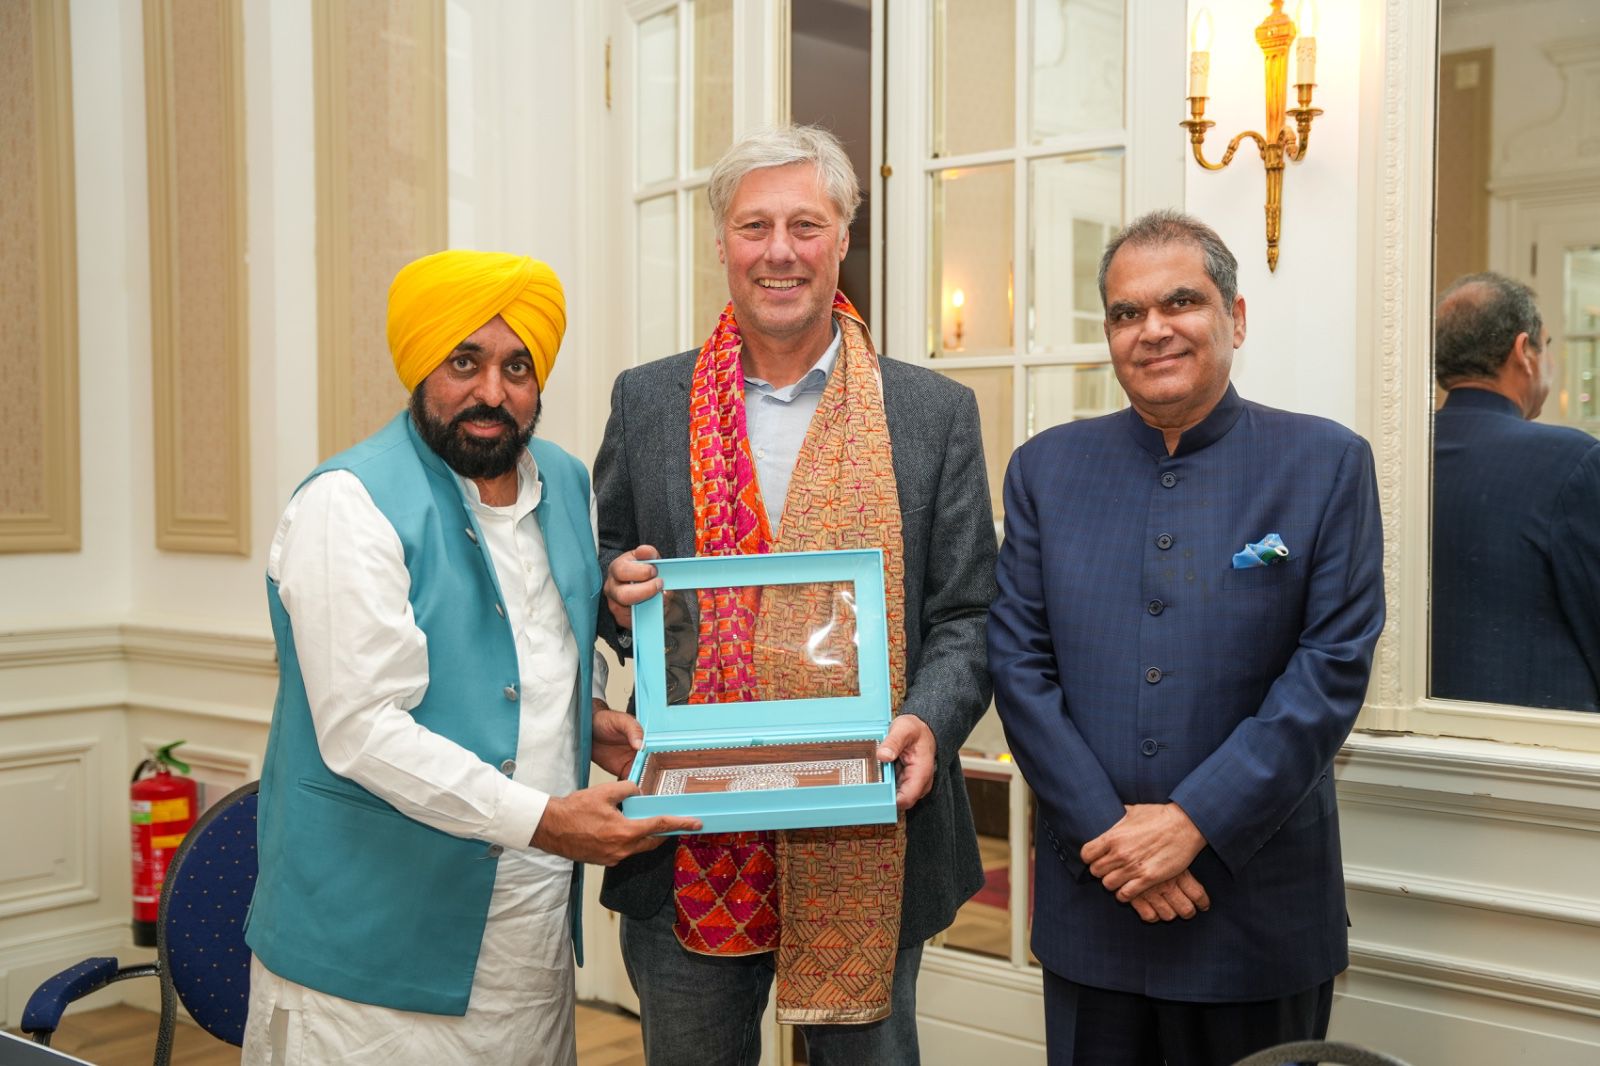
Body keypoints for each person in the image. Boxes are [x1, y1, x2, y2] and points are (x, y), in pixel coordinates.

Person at [594, 124, 997, 1065]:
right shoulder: (648, 401)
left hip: (870, 821)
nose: (780, 251)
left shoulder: (931, 413)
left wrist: (930, 720)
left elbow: (969, 613)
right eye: (755, 226)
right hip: (690, 827)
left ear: (844, 238)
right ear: (722, 242)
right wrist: (612, 588)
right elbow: (599, 562)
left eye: (805, 225)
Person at [242, 250, 699, 1066]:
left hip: (529, 940)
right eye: (465, 362)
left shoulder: (563, 480)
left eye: (516, 367)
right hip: (371, 954)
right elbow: (364, 731)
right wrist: (549, 821)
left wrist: (585, 713)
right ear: (420, 365)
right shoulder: (347, 504)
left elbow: (553, 635)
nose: (492, 392)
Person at [987, 210, 1385, 1065]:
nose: (1153, 329)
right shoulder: (1045, 470)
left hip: (1256, 912)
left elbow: (1331, 671)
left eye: (1181, 302)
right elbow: (1017, 665)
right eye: (1127, 313)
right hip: (1094, 902)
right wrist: (1114, 839)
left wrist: (1193, 822)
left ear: (1235, 318)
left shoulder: (1325, 463)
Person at [1431, 272, 1600, 712]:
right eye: (1547, 345)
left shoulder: (1398, 455)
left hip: (1421, 726)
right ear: (1524, 351)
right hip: (1543, 735)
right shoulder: (1573, 460)